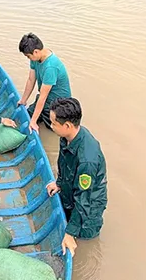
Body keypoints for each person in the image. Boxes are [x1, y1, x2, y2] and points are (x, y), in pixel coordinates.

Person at [45, 97, 107, 257]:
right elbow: (64, 163)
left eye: (53, 123)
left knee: (84, 241)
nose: (51, 126)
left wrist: (71, 233)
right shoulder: (67, 137)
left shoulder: (87, 159)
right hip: (71, 191)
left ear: (67, 125)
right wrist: (59, 183)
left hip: (89, 206)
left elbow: (84, 199)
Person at [17, 33, 71, 132]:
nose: (28, 58)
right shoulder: (36, 58)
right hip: (46, 99)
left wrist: (33, 122)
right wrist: (23, 100)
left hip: (58, 104)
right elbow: (31, 80)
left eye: (28, 56)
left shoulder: (50, 67)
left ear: (36, 51)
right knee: (27, 116)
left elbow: (43, 96)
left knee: (52, 128)